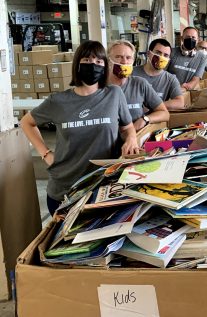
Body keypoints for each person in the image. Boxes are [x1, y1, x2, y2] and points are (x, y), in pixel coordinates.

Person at [20, 40, 138, 215]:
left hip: (102, 187)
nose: (93, 65)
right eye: (87, 61)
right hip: (64, 189)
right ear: (77, 65)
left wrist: (132, 139)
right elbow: (26, 122)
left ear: (105, 66)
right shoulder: (58, 101)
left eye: (99, 61)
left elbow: (128, 127)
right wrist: (45, 153)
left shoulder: (114, 94)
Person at [107, 40, 169, 131]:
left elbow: (164, 113)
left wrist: (145, 119)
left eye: (128, 58)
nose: (124, 62)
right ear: (108, 60)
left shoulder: (139, 84)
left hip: (136, 140)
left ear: (133, 60)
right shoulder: (98, 87)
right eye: (118, 57)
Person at [132, 38, 185, 110]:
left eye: (166, 55)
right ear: (148, 53)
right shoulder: (132, 73)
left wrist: (155, 106)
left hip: (155, 119)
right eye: (158, 53)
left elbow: (180, 102)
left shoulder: (170, 79)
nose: (161, 57)